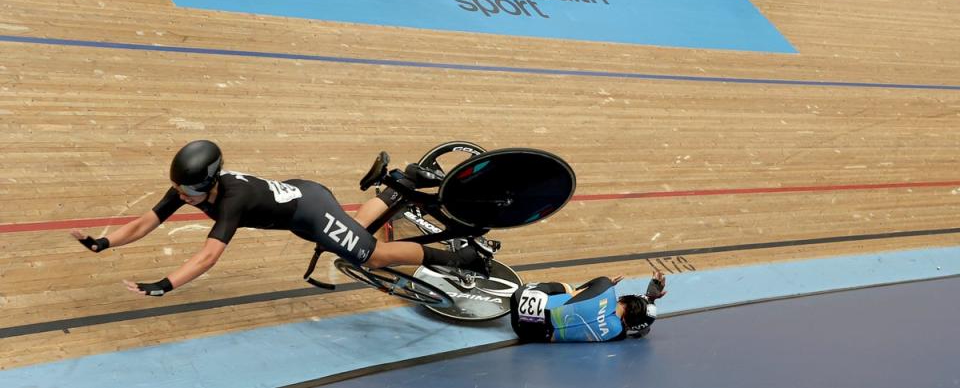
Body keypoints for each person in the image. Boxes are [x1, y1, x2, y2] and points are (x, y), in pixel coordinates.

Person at [70, 140, 490, 296]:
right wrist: (104, 243)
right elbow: (147, 221)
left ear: (211, 182)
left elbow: (208, 257)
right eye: (179, 189)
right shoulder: (192, 187)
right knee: (352, 237)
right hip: (303, 196)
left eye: (190, 191)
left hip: (308, 210)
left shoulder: (230, 199)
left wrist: (164, 285)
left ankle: (463, 260)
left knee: (371, 255)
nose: (182, 197)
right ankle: (396, 188)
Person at [510, 271, 667, 342]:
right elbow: (641, 329)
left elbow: (578, 292)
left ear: (629, 298)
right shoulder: (616, 335)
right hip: (527, 334)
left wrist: (650, 296)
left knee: (570, 290)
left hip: (519, 298)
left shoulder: (605, 286)